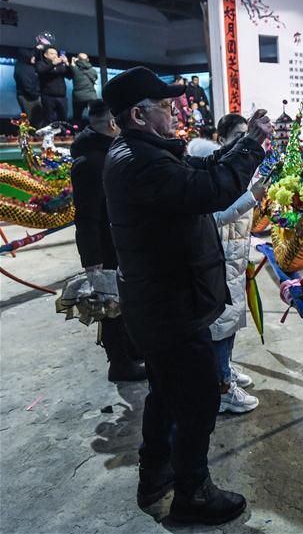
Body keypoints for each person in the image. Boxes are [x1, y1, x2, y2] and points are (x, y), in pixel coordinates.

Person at [102, 67, 269, 524]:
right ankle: (192, 493)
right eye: (165, 105)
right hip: (170, 309)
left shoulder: (145, 152)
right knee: (196, 402)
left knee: (166, 395)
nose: (175, 109)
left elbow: (205, 168)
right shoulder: (142, 162)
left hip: (162, 305)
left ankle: (155, 474)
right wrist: (252, 144)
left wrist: (242, 146)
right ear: (138, 114)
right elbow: (211, 188)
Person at [70, 100, 146, 382]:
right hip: (104, 246)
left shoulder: (107, 151)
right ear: (113, 124)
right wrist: (92, 261)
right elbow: (86, 218)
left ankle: (130, 351)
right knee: (109, 306)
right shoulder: (89, 162)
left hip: (119, 241)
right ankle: (119, 363)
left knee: (123, 303)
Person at [206, 113, 270, 415]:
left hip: (234, 256)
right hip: (217, 259)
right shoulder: (213, 172)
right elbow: (213, 218)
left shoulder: (243, 169)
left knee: (229, 323)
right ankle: (220, 389)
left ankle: (224, 369)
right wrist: (252, 197)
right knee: (219, 325)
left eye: (250, 135)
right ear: (221, 141)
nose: (247, 142)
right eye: (239, 136)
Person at [34, 46, 72, 125]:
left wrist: (67, 64)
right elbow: (41, 71)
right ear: (45, 55)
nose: (55, 55)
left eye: (56, 54)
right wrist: (53, 64)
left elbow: (70, 76)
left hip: (62, 96)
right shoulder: (41, 63)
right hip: (48, 96)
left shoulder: (60, 65)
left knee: (64, 119)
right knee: (48, 119)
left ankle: (63, 136)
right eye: (52, 53)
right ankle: (49, 136)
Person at [70, 53, 99, 125]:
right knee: (94, 116)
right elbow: (95, 78)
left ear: (78, 59)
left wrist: (73, 61)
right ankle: (96, 132)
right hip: (91, 96)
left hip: (78, 97)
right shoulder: (93, 70)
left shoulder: (75, 69)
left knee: (77, 117)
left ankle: (76, 133)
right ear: (88, 59)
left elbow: (72, 66)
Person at [14, 48, 40, 123]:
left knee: (34, 119)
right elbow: (26, 85)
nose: (34, 58)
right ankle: (30, 134)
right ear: (27, 57)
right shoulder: (22, 68)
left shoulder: (29, 67)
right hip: (28, 97)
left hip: (31, 95)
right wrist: (37, 95)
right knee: (31, 120)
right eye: (32, 56)